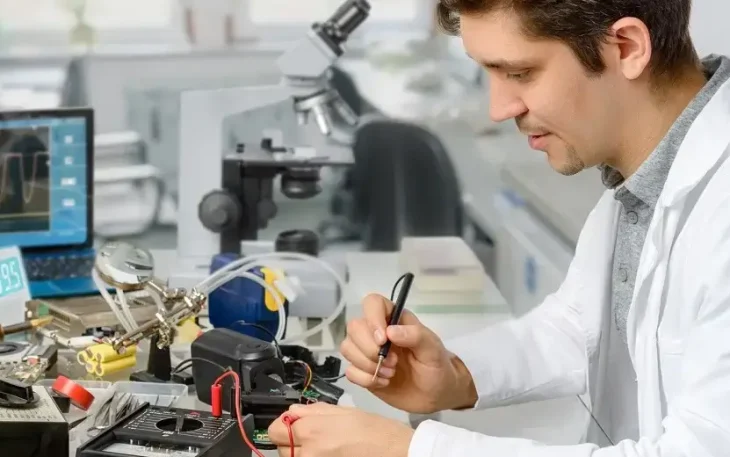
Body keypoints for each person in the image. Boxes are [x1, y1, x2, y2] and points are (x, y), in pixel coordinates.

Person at [267, 0, 730, 455]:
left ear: (627, 47)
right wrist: (454, 376)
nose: (498, 108)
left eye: (519, 73)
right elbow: (579, 326)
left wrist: (409, 451)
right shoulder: (648, 170)